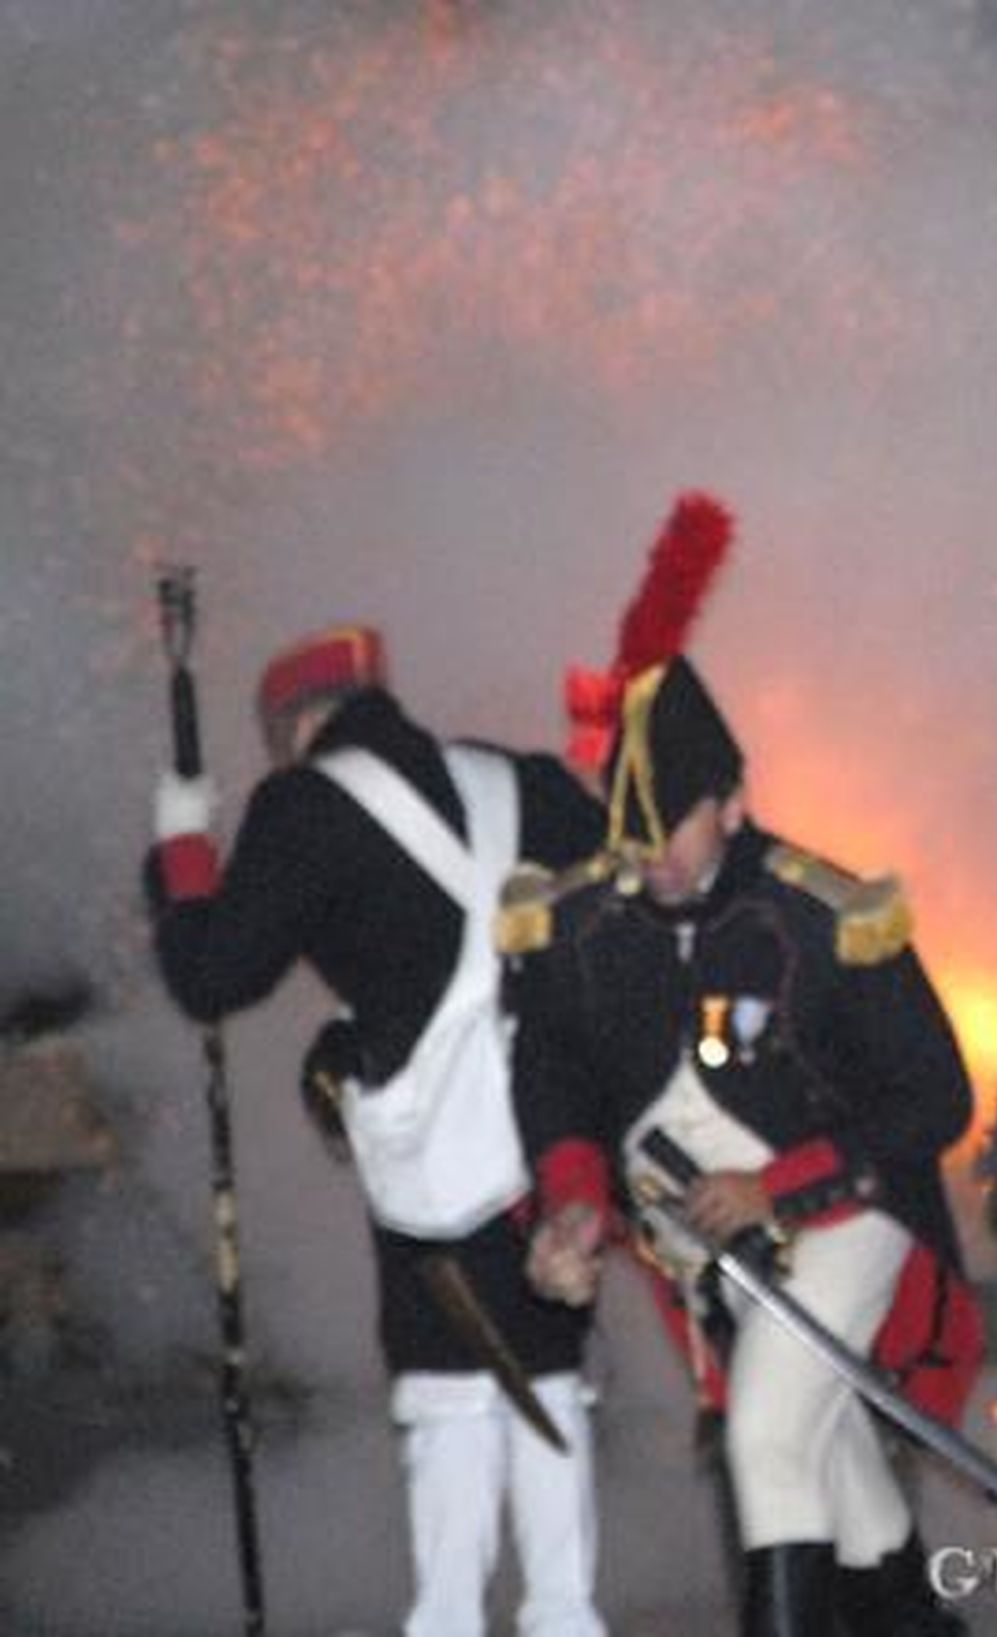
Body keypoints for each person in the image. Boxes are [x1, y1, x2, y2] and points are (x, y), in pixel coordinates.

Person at [145, 624, 608, 1637]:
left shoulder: (303, 803)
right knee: (552, 1380)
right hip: (551, 1130)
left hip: (436, 1144)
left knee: (448, 1396)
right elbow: (599, 870)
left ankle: (445, 1618)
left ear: (296, 725)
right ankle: (566, 1614)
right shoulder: (510, 777)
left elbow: (214, 973)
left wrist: (183, 849)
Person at [504, 656, 982, 1637]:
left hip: (850, 1211)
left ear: (732, 800)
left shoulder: (820, 913)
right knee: (830, 1447)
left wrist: (780, 1185)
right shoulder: (578, 920)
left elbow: (936, 1095)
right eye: (633, 833)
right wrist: (573, 1204)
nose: (655, 859)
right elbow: (554, 1078)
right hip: (704, 1246)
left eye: (675, 823)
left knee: (766, 1434)